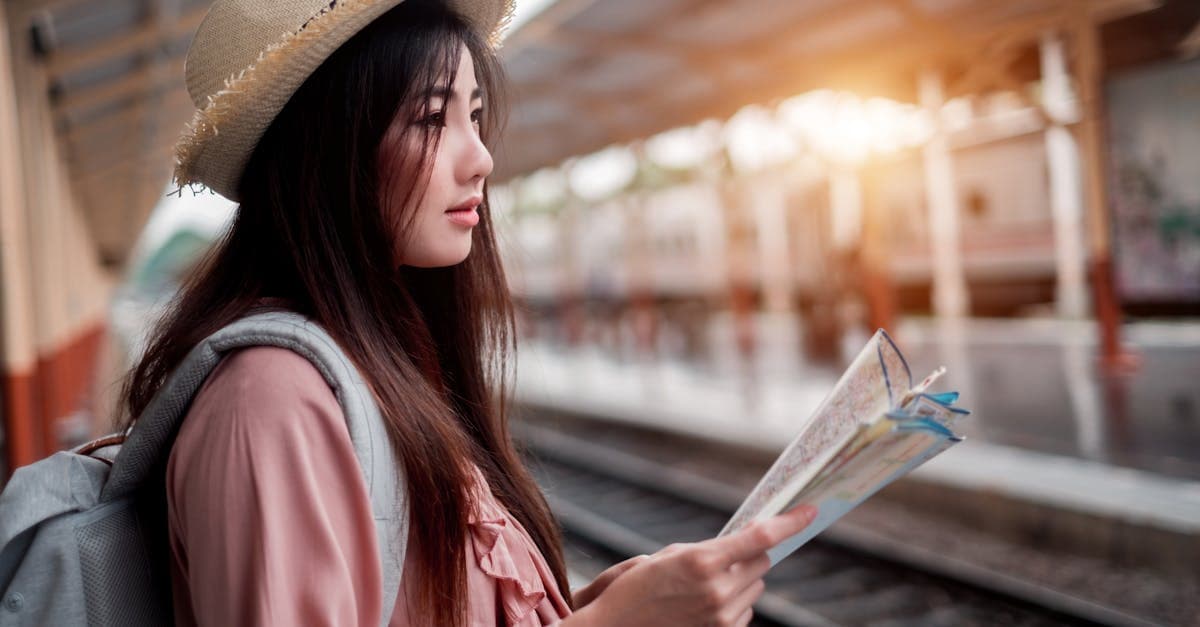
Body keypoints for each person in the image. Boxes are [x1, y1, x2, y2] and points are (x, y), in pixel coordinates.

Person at [124, 0, 818, 625]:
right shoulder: (270, 402)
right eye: (433, 118)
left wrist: (580, 609)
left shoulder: (375, 370)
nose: (481, 157)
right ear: (327, 147)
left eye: (475, 116)